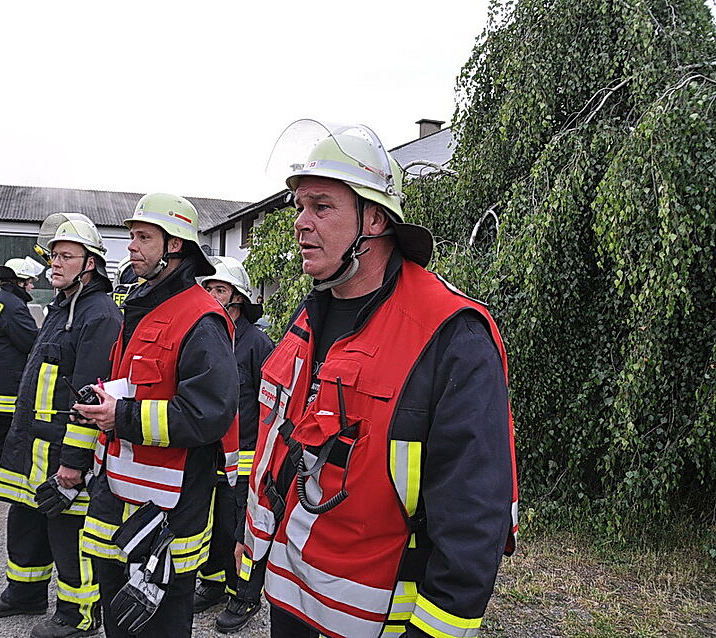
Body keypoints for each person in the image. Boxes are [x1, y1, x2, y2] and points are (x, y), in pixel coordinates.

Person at [241, 121, 518, 638]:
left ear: (374, 218)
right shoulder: (309, 318)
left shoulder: (451, 336)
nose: (300, 223)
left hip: (377, 617)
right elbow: (279, 449)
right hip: (291, 597)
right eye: (299, 206)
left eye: (321, 207)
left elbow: (474, 514)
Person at [76, 193, 239, 638]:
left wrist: (122, 415)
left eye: (143, 237)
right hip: (120, 494)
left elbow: (208, 415)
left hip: (169, 509)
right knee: (119, 616)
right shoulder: (143, 307)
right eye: (132, 236)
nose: (131, 246)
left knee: (160, 622)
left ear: (175, 245)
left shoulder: (202, 318)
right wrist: (104, 404)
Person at [0, 213, 122, 638]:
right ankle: (24, 592)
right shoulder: (63, 307)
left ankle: (78, 615)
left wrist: (74, 463)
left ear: (90, 263)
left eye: (66, 256)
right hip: (33, 445)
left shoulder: (99, 315)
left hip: (62, 450)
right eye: (53, 255)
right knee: (25, 519)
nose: (54, 264)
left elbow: (91, 396)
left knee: (69, 531)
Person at [195, 256, 275, 634]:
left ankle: (243, 595)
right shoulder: (204, 337)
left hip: (245, 457)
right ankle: (212, 583)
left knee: (240, 528)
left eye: (220, 289)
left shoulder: (257, 343)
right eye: (208, 289)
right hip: (209, 454)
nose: (212, 295)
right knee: (210, 524)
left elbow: (272, 404)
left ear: (238, 298)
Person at [0, 258, 42, 489]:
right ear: (19, 282)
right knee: (3, 428)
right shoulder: (14, 306)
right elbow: (29, 341)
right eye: (29, 281)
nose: (31, 286)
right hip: (5, 379)